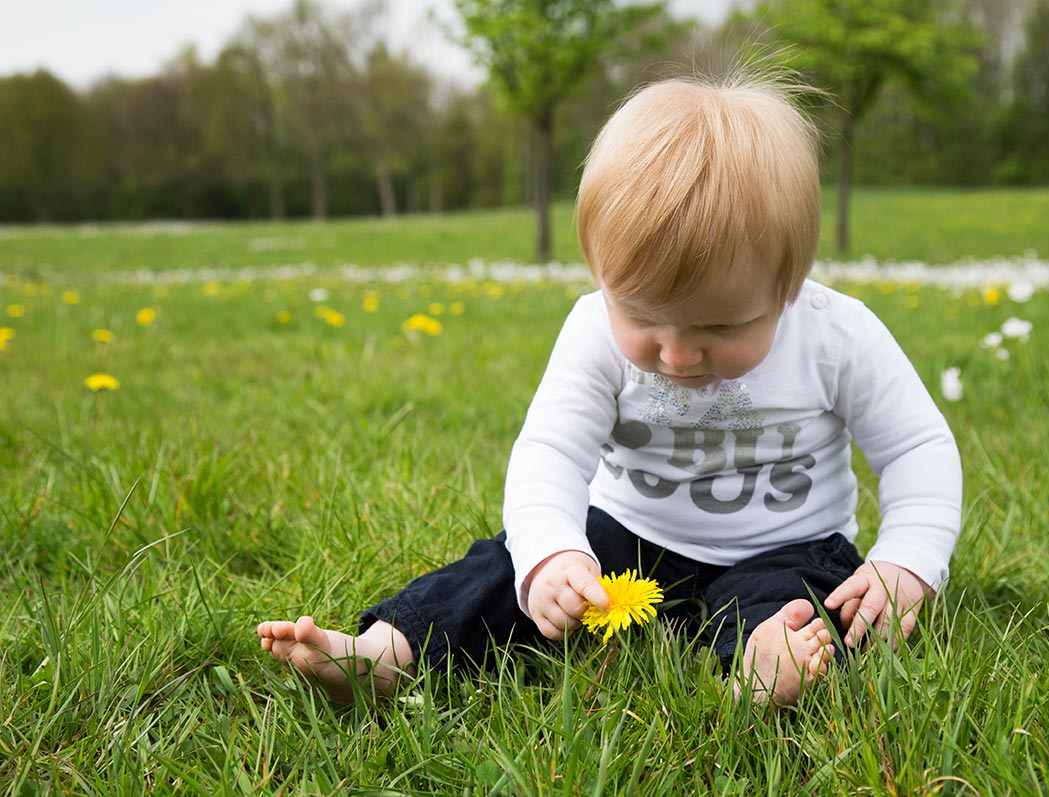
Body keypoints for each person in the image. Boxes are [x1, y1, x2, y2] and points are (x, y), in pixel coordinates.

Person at [258, 73, 962, 707]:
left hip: (784, 545)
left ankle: (764, 664)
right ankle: (387, 653)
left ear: (788, 285)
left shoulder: (837, 336)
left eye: (720, 325)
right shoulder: (592, 329)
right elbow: (551, 453)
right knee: (500, 572)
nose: (678, 353)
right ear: (601, 277)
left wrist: (906, 558)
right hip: (625, 537)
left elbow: (916, 447)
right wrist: (554, 552)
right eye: (643, 317)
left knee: (799, 601)